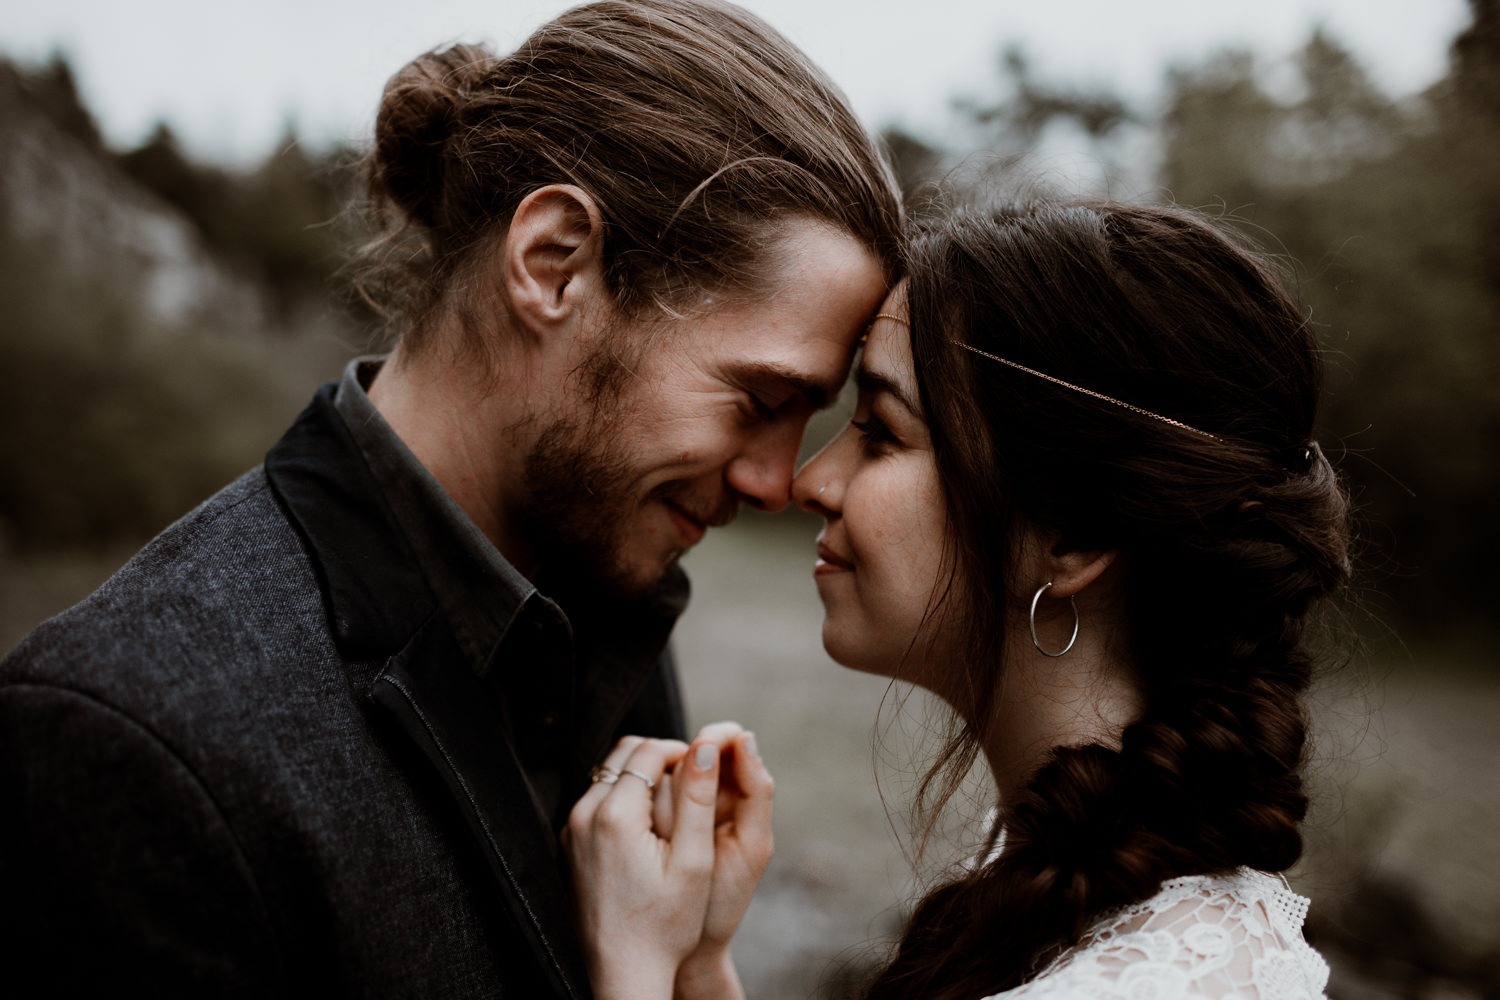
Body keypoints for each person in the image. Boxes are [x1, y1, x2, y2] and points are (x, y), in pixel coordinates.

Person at [0, 1, 901, 994]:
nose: (776, 482)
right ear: (554, 263)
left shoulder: (596, 602)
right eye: (760, 400)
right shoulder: (125, 740)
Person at [565, 199, 1351, 999]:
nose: (809, 480)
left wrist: (629, 961)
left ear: (1074, 538)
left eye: (880, 432)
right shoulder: (1064, 865)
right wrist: (698, 964)